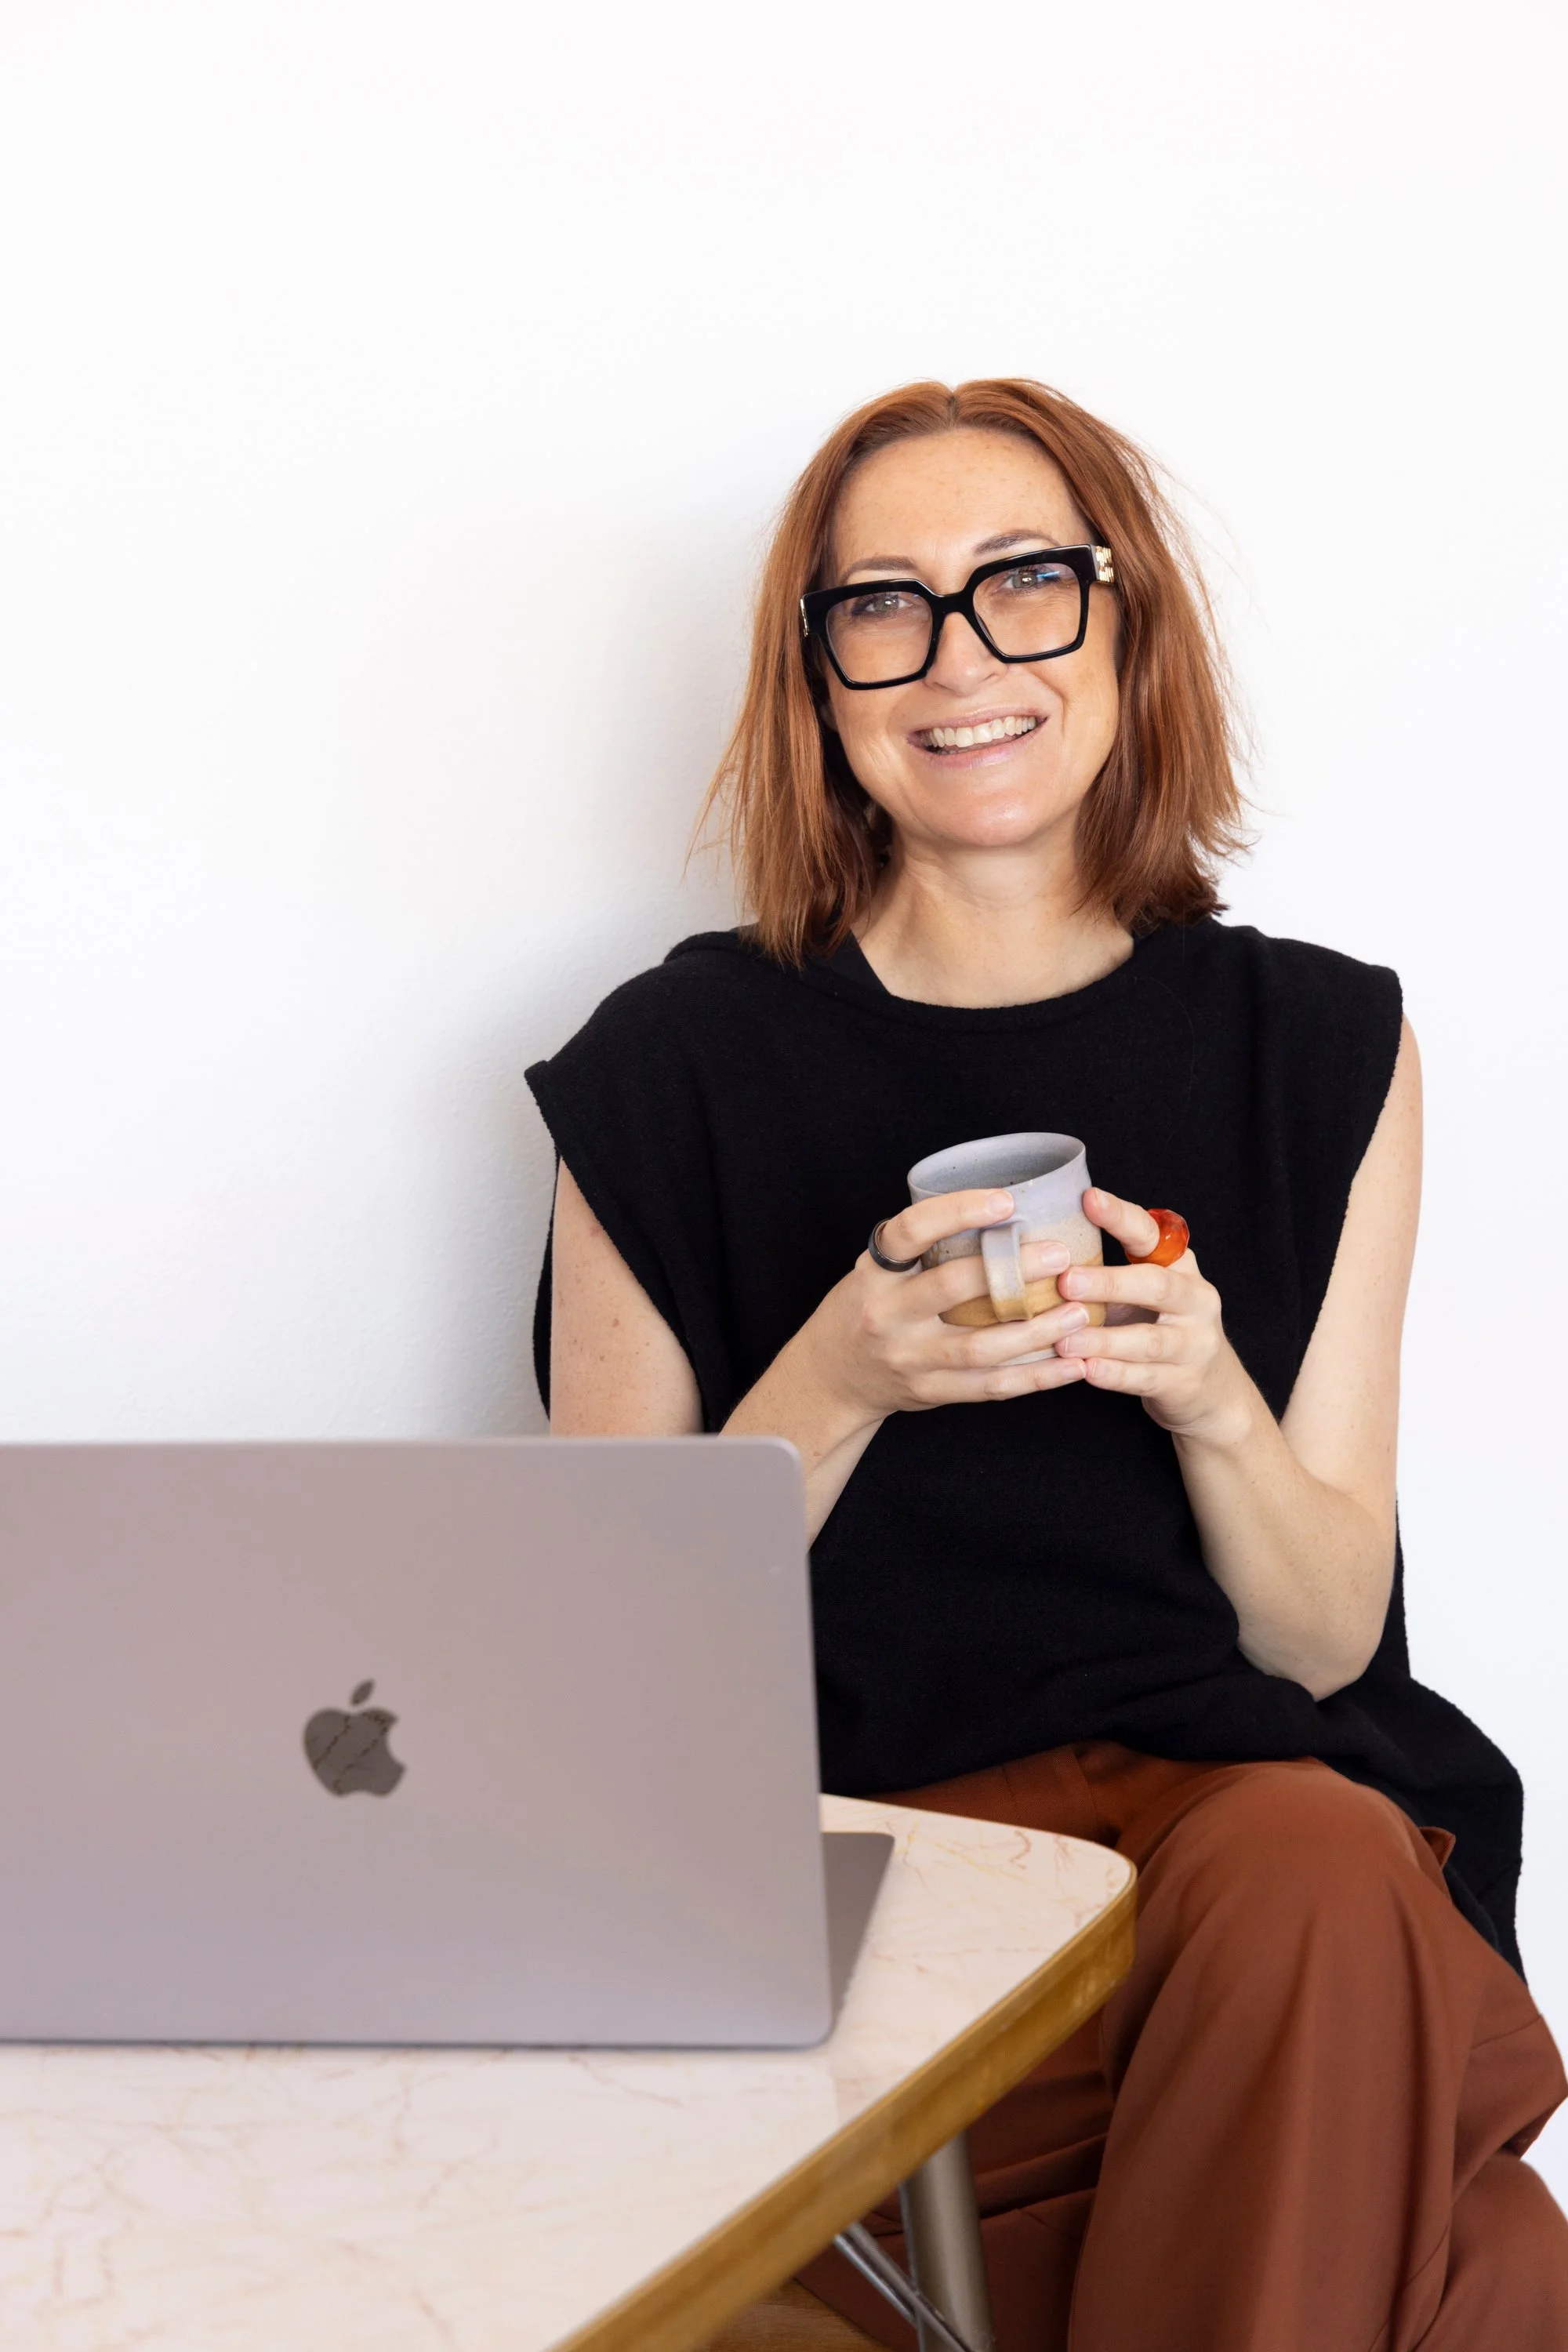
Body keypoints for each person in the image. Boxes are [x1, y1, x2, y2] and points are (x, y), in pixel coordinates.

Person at [525, 379, 1568, 2350]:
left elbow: (1329, 1639)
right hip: (869, 1884)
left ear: (1125, 625)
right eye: (882, 607)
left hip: (1243, 1894)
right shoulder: (667, 1075)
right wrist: (837, 1374)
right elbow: (602, 1679)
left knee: (1320, 1856)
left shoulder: (1320, 1042)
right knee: (1503, 2280)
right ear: (819, 681)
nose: (958, 656)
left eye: (1025, 584)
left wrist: (1209, 1398)